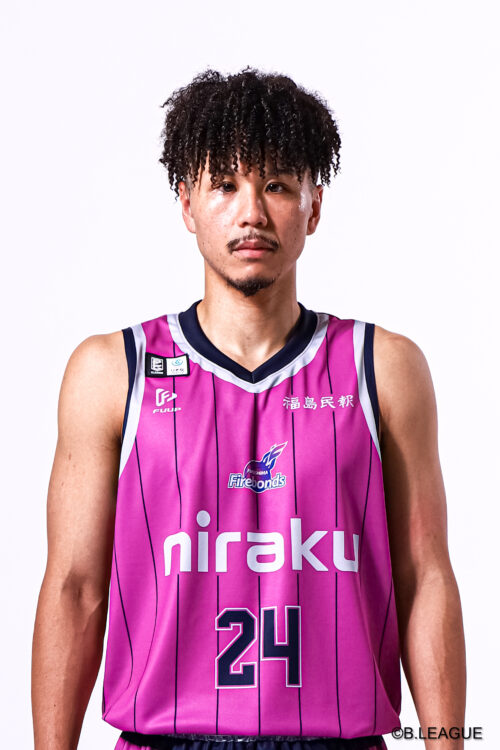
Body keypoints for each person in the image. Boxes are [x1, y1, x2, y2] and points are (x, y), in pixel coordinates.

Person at [31, 68, 466, 750]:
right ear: (187, 203)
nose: (252, 213)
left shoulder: (385, 367)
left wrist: (447, 744)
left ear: (313, 208)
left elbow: (425, 579)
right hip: (166, 737)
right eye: (226, 184)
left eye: (278, 186)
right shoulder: (112, 371)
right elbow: (74, 588)